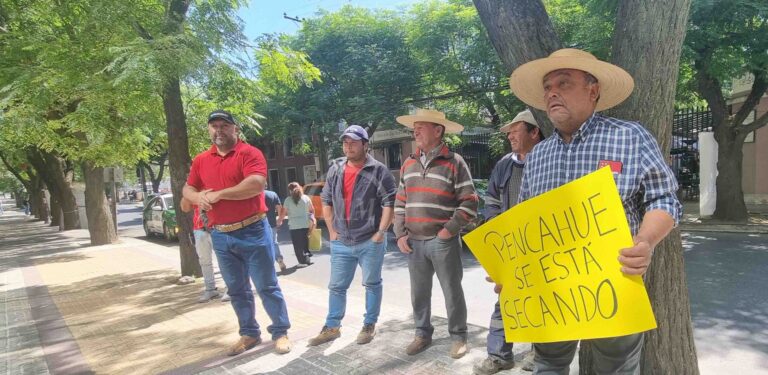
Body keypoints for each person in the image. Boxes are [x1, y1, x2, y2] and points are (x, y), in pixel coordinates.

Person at [507, 48, 681, 374]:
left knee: (616, 369)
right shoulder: (539, 155)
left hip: (614, 284)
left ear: (593, 90)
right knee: (547, 365)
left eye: (563, 82)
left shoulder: (630, 137)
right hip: (550, 292)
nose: (552, 92)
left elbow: (664, 199)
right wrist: (511, 271)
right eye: (547, 87)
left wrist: (645, 241)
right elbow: (524, 221)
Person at [183, 109, 292, 356]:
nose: (218, 130)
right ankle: (249, 333)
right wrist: (198, 196)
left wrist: (218, 194)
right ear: (209, 130)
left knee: (266, 285)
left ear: (235, 129)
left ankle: (281, 332)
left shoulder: (249, 153)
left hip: (253, 229)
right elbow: (187, 189)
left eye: (224, 125)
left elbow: (255, 185)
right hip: (220, 234)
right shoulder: (202, 159)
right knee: (236, 289)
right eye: (214, 126)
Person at [393, 108, 479, 359]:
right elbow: (400, 202)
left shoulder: (455, 161)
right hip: (414, 243)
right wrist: (399, 234)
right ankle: (422, 334)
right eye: (414, 127)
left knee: (452, 291)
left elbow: (470, 202)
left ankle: (459, 337)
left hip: (443, 242)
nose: (415, 131)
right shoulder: (408, 163)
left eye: (421, 126)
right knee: (418, 293)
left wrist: (447, 232)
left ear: (438, 130)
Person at [307, 125, 396, 347]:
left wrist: (380, 233)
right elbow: (326, 200)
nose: (348, 146)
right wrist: (332, 230)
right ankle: (332, 326)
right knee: (336, 286)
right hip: (341, 241)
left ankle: (369, 325)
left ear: (365, 145)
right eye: (345, 142)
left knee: (372, 284)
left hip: (370, 240)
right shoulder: (336, 168)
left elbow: (389, 203)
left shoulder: (379, 171)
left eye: (354, 142)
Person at [473, 109, 545, 375]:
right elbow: (491, 200)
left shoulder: (550, 159)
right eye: (509, 132)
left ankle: (539, 355)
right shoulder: (504, 164)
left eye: (515, 131)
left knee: (542, 301)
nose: (510, 136)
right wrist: (496, 231)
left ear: (534, 132)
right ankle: (500, 356)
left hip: (542, 246)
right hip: (510, 246)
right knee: (506, 301)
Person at [179, 198, 230, 303]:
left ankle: (230, 288)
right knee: (204, 261)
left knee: (223, 260)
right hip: (199, 229)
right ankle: (210, 289)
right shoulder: (195, 191)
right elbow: (185, 207)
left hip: (216, 227)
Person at [278, 182, 315, 267]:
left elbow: (283, 213)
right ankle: (307, 259)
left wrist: (279, 221)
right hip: (305, 224)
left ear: (290, 190)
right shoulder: (306, 198)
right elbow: (312, 210)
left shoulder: (288, 200)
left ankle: (302, 262)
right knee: (305, 242)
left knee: (297, 244)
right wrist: (313, 220)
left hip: (294, 226)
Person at [264, 188, 287, 272]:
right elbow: (279, 208)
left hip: (259, 224)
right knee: (274, 242)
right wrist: (279, 220)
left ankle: (268, 265)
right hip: (272, 223)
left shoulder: (255, 194)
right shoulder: (272, 194)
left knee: (262, 244)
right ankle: (279, 259)